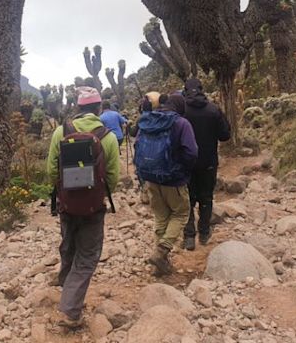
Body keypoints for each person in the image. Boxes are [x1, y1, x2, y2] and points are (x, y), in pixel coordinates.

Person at [47, 86, 120, 330]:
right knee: (87, 256)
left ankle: (66, 284)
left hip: (66, 203)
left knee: (68, 244)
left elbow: (50, 171)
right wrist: (96, 193)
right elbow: (113, 177)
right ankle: (69, 312)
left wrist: (65, 191)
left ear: (77, 108)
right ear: (99, 108)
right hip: (93, 207)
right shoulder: (108, 136)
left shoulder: (61, 132)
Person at [134, 93, 197, 276]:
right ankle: (162, 250)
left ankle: (159, 264)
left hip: (150, 177)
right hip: (173, 179)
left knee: (161, 217)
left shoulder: (147, 120)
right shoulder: (181, 123)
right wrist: (182, 169)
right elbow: (191, 152)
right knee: (181, 213)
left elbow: (137, 145)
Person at [182, 78, 231, 250]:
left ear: (185, 90)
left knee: (187, 199)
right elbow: (225, 135)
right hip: (208, 161)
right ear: (202, 90)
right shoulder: (213, 110)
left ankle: (188, 236)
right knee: (206, 197)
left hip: (186, 164)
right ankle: (204, 233)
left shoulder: (181, 111)